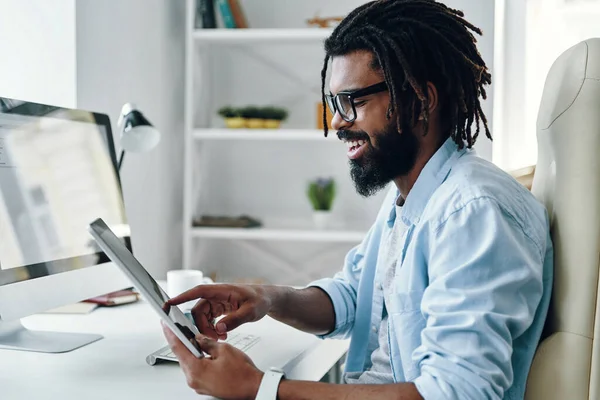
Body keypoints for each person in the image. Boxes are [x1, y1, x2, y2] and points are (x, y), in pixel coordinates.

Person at [162, 1, 554, 399]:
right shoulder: (413, 195)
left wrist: (260, 388)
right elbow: (353, 298)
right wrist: (267, 298)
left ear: (421, 100)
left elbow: (456, 393)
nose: (336, 122)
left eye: (354, 101)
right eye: (335, 103)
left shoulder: (473, 212)